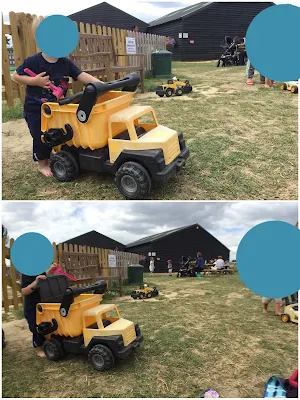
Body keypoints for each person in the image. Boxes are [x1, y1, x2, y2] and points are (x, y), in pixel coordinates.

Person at [12, 16, 104, 177]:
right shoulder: (33, 61)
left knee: (56, 134)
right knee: (41, 136)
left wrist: (100, 84)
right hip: (36, 110)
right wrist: (34, 81)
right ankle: (43, 164)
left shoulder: (65, 63)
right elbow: (16, 76)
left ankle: (52, 153)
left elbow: (81, 75)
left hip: (56, 109)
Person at [21, 264, 56, 358]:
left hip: (42, 303)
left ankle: (45, 341)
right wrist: (36, 281)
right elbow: (24, 291)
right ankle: (38, 348)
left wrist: (50, 270)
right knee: (35, 327)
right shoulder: (27, 273)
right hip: (32, 306)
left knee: (45, 324)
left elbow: (43, 276)